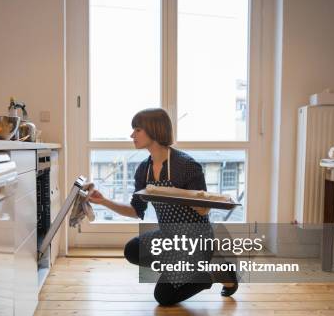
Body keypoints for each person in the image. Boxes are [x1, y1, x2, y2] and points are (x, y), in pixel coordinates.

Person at [88, 108, 238, 305]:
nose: (132, 135)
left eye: (137, 130)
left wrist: (201, 204)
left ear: (154, 130)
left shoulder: (186, 165)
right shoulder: (144, 169)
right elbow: (136, 211)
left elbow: (203, 210)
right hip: (169, 236)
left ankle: (215, 271)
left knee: (164, 297)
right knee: (132, 250)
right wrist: (104, 201)